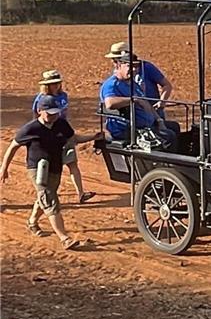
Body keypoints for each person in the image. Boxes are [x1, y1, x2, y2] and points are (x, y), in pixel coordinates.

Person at [1, 95, 102, 250]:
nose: (53, 116)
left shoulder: (61, 124)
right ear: (40, 111)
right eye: (49, 113)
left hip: (55, 166)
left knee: (46, 196)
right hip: (36, 168)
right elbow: (13, 146)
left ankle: (32, 221)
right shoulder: (30, 128)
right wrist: (4, 168)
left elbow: (74, 139)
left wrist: (93, 137)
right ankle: (65, 238)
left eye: (55, 113)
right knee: (49, 198)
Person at [32, 69, 96, 203]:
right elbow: (36, 117)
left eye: (58, 82)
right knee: (49, 168)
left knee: (72, 163)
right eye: (53, 83)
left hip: (64, 133)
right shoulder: (41, 99)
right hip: (50, 137)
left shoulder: (63, 96)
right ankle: (45, 194)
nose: (56, 85)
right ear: (46, 85)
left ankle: (81, 194)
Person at [100, 53, 177, 148]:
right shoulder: (112, 85)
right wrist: (134, 99)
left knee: (174, 127)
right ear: (119, 65)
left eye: (136, 66)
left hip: (146, 126)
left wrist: (159, 120)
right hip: (129, 129)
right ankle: (165, 162)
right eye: (130, 66)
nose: (134, 69)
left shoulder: (133, 84)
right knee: (168, 137)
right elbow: (109, 103)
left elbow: (146, 102)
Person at [105, 41, 177, 127]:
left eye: (116, 59)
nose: (114, 63)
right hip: (135, 119)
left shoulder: (146, 67)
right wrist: (135, 101)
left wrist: (161, 102)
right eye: (115, 60)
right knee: (169, 134)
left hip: (153, 111)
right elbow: (111, 102)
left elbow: (166, 85)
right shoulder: (115, 82)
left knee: (173, 128)